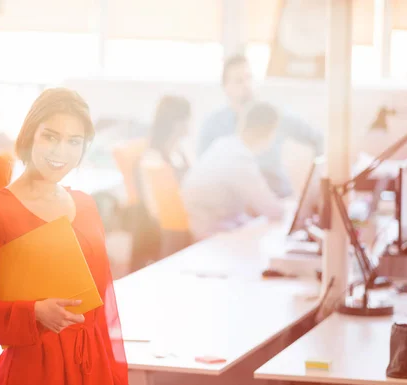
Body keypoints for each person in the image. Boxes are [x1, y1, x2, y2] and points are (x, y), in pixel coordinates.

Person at [0, 88, 132, 385]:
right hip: (34, 371)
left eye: (73, 141)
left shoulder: (86, 205)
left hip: (92, 368)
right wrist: (33, 312)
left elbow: (104, 308)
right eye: (50, 136)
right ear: (30, 136)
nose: (60, 151)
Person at [197, 54, 324, 198]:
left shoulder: (274, 116)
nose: (247, 85)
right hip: (236, 208)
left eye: (249, 78)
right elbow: (204, 170)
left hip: (277, 198)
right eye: (239, 81)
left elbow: (319, 139)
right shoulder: (212, 125)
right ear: (225, 87)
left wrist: (317, 183)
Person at [182, 102, 285, 241]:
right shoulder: (240, 159)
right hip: (208, 231)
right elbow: (272, 210)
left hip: (205, 221)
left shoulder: (224, 144)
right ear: (268, 131)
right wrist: (290, 209)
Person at [130, 95, 191, 269]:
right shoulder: (152, 159)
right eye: (187, 119)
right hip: (161, 233)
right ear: (176, 123)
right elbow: (156, 211)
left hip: (180, 223)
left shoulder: (179, 153)